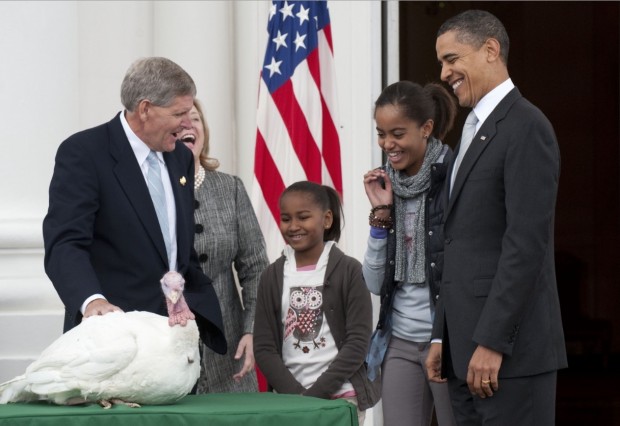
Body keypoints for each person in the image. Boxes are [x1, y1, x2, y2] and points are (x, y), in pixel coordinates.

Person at [426, 10, 566, 425]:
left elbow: (525, 244)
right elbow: (458, 243)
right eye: (441, 63)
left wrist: (492, 342)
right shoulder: (471, 128)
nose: (444, 72)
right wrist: (442, 335)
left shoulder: (526, 126)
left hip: (508, 357)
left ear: (490, 50)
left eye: (452, 59)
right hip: (462, 354)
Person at [43, 57, 226, 356]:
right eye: (178, 113)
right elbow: (65, 243)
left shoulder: (180, 157)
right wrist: (92, 301)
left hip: (175, 340)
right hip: (113, 339)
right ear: (145, 109)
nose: (186, 124)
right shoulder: (84, 153)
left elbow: (178, 250)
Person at [362, 81, 457, 426]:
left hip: (449, 340)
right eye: (381, 133)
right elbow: (373, 282)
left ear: (426, 128)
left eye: (397, 133)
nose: (388, 144)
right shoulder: (386, 185)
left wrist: (444, 336)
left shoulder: (455, 178)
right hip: (399, 341)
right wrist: (381, 217)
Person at [253, 181, 380, 425]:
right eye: (286, 219)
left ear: (327, 219)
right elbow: (264, 348)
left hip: (341, 399)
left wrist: (317, 393)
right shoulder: (271, 276)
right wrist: (296, 395)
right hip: (290, 401)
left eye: (303, 217)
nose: (293, 226)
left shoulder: (350, 271)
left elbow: (357, 343)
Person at [178, 99, 269, 393]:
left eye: (194, 118)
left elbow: (256, 268)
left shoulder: (230, 188)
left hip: (229, 355)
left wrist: (251, 329)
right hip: (169, 350)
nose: (188, 126)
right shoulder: (149, 189)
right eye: (178, 119)